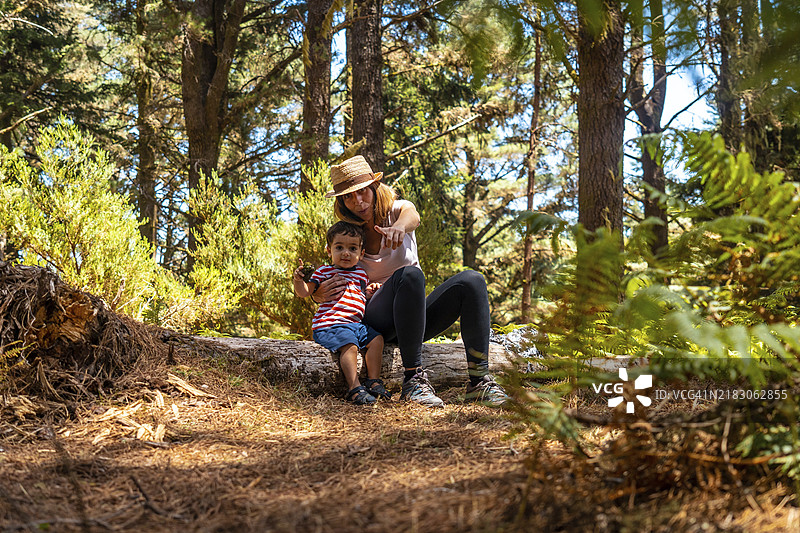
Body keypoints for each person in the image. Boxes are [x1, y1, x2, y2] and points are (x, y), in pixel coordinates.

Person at [311, 155, 508, 408]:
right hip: (375, 323)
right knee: (409, 274)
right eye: (349, 196)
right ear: (341, 202)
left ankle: (480, 382)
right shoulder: (348, 235)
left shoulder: (397, 210)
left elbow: (412, 216)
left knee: (472, 280)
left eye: (362, 192)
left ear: (374, 188)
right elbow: (329, 277)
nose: (358, 202)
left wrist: (400, 228)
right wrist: (317, 294)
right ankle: (414, 380)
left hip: (412, 318)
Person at [293, 221, 389, 405]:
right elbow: (304, 292)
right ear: (329, 250)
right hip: (331, 324)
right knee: (350, 345)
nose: (346, 253)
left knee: (377, 339)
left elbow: (361, 296)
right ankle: (354, 388)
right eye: (339, 247)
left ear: (361, 254)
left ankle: (374, 381)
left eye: (352, 248)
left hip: (356, 325)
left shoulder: (361, 274)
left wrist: (370, 292)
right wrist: (299, 280)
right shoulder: (324, 271)